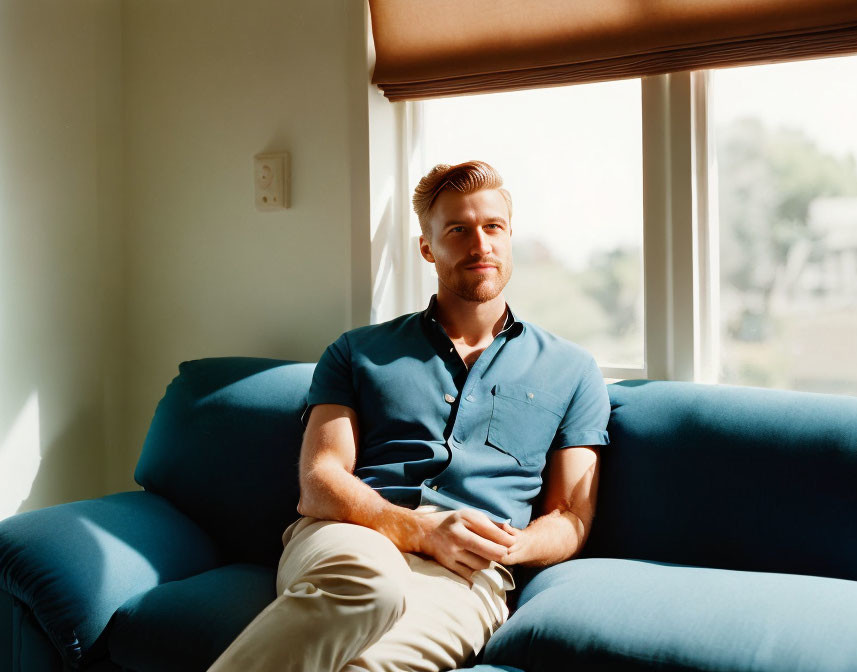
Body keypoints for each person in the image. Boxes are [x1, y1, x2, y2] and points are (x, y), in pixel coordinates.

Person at [207, 160, 611, 672]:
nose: (480, 244)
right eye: (458, 230)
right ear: (428, 247)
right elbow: (320, 480)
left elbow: (572, 516)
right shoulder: (357, 351)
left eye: (493, 228)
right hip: (355, 535)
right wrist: (420, 530)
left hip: (470, 569)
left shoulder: (571, 370)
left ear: (510, 238)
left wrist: (508, 547)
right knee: (368, 587)